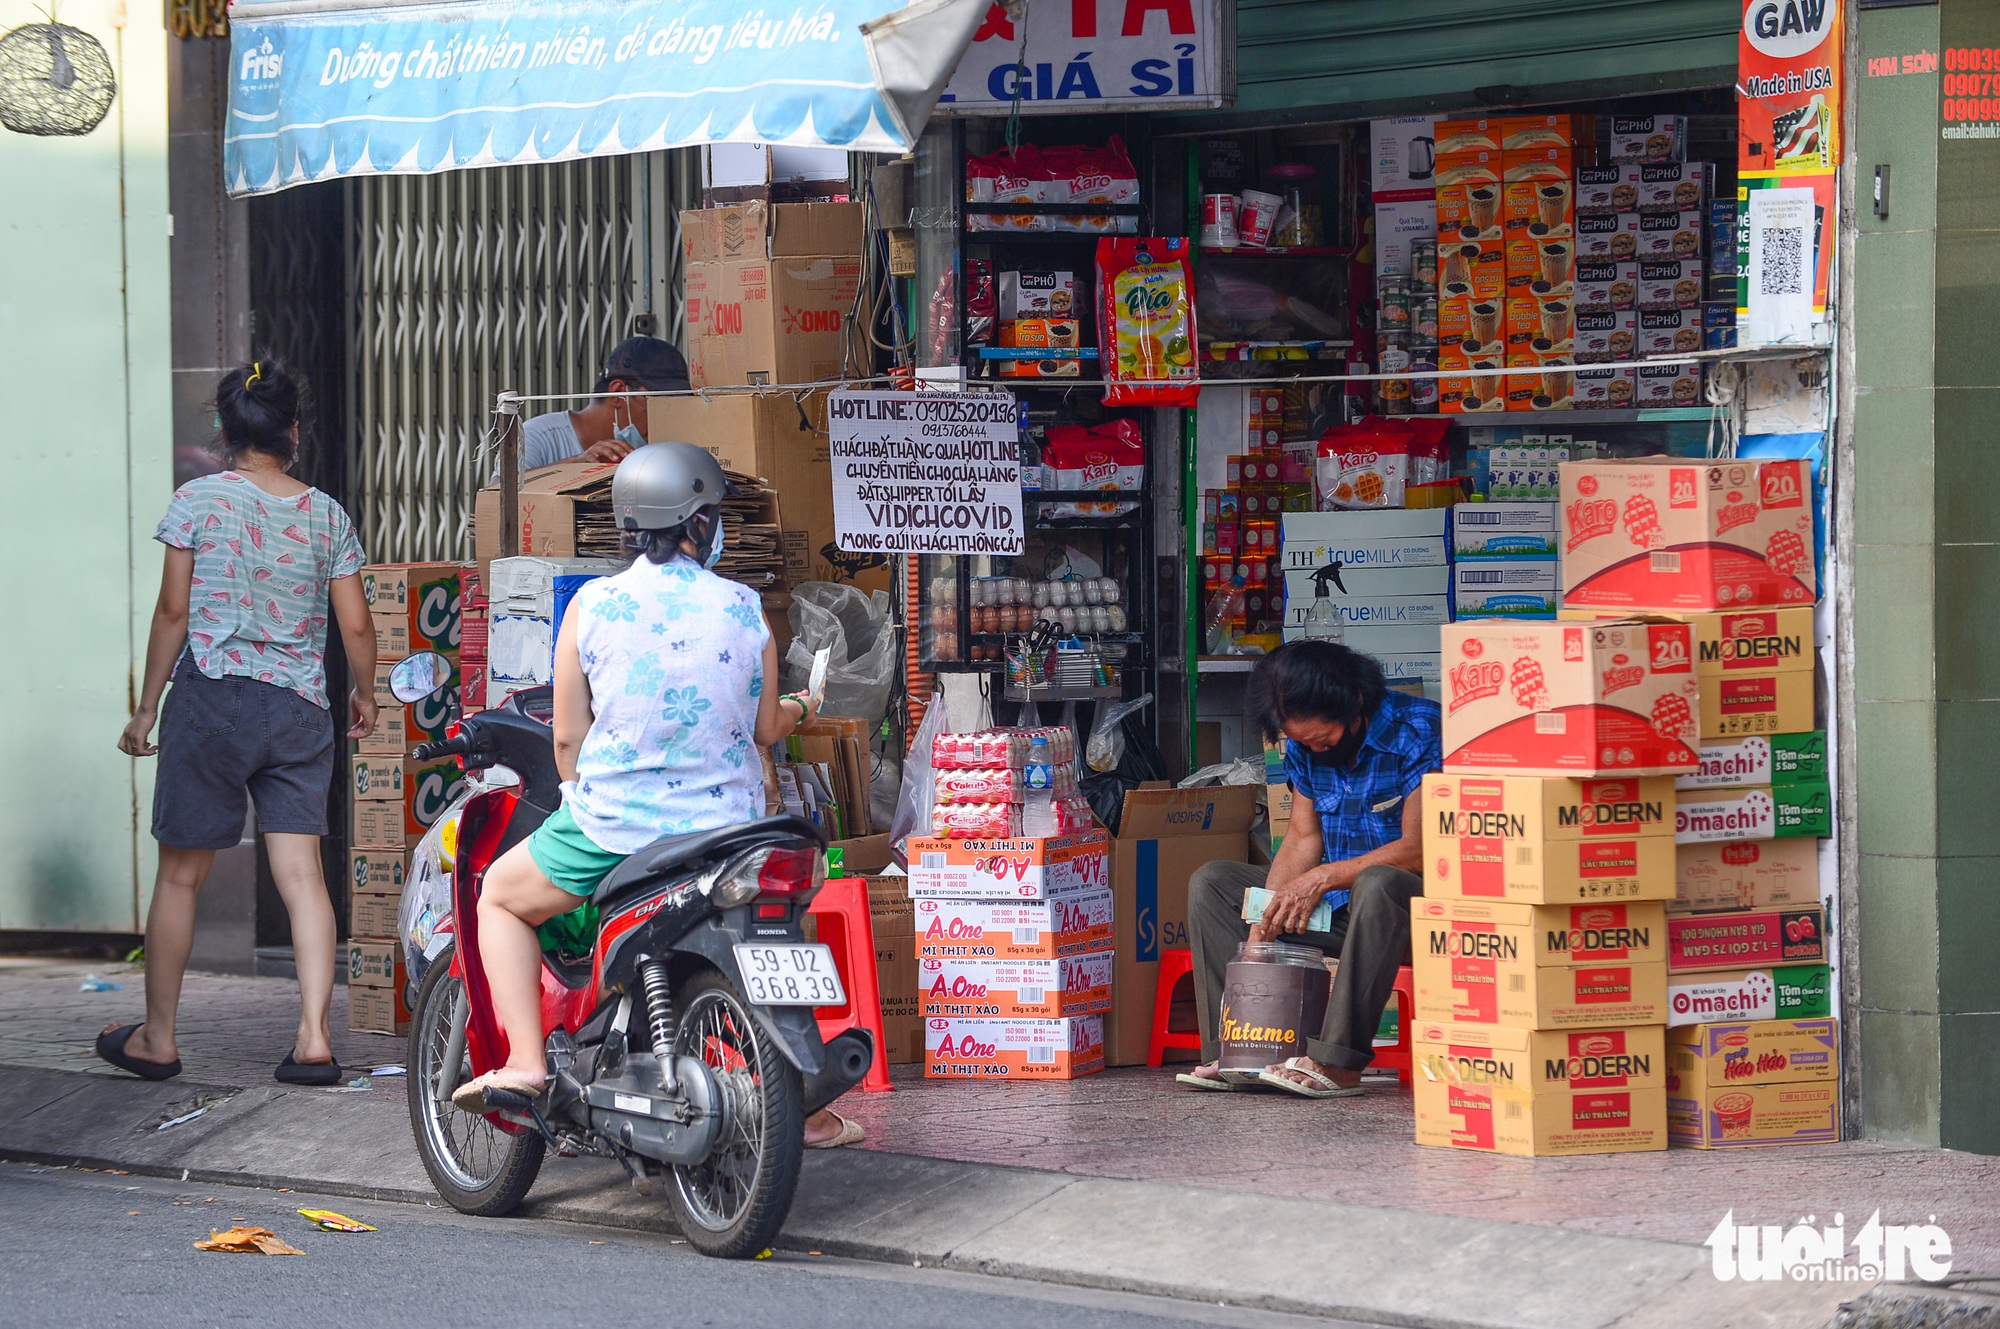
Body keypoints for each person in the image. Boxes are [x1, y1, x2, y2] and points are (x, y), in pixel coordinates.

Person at [451, 442, 862, 1148]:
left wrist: (587, 792)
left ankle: (523, 1064)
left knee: (498, 894)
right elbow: (766, 728)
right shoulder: (742, 607)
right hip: (731, 831)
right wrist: (800, 705)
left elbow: (567, 743)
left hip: (618, 827)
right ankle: (803, 1100)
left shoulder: (593, 605)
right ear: (700, 524)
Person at [103, 362, 376, 1086]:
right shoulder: (326, 513)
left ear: (225, 432)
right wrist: (367, 694)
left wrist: (146, 705)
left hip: (213, 699)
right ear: (292, 430)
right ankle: (314, 1038)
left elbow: (172, 612)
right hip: (297, 707)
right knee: (301, 874)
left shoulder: (196, 500)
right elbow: (355, 623)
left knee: (182, 875)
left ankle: (157, 1038)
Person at [1176, 640, 1439, 1098]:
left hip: (1413, 913)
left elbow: (1418, 848)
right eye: (1302, 742)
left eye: (1324, 739)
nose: (1314, 749)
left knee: (1377, 882)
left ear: (1354, 703)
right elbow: (1302, 838)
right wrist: (1263, 925)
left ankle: (1337, 1063)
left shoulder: (1418, 730)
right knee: (1214, 883)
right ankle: (1239, 1050)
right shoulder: (1300, 745)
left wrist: (1322, 877)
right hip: (1341, 912)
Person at [511, 336, 691, 473]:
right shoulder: (539, 436)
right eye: (658, 403)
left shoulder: (655, 454)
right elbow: (495, 495)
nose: (667, 415)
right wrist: (576, 465)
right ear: (619, 392)